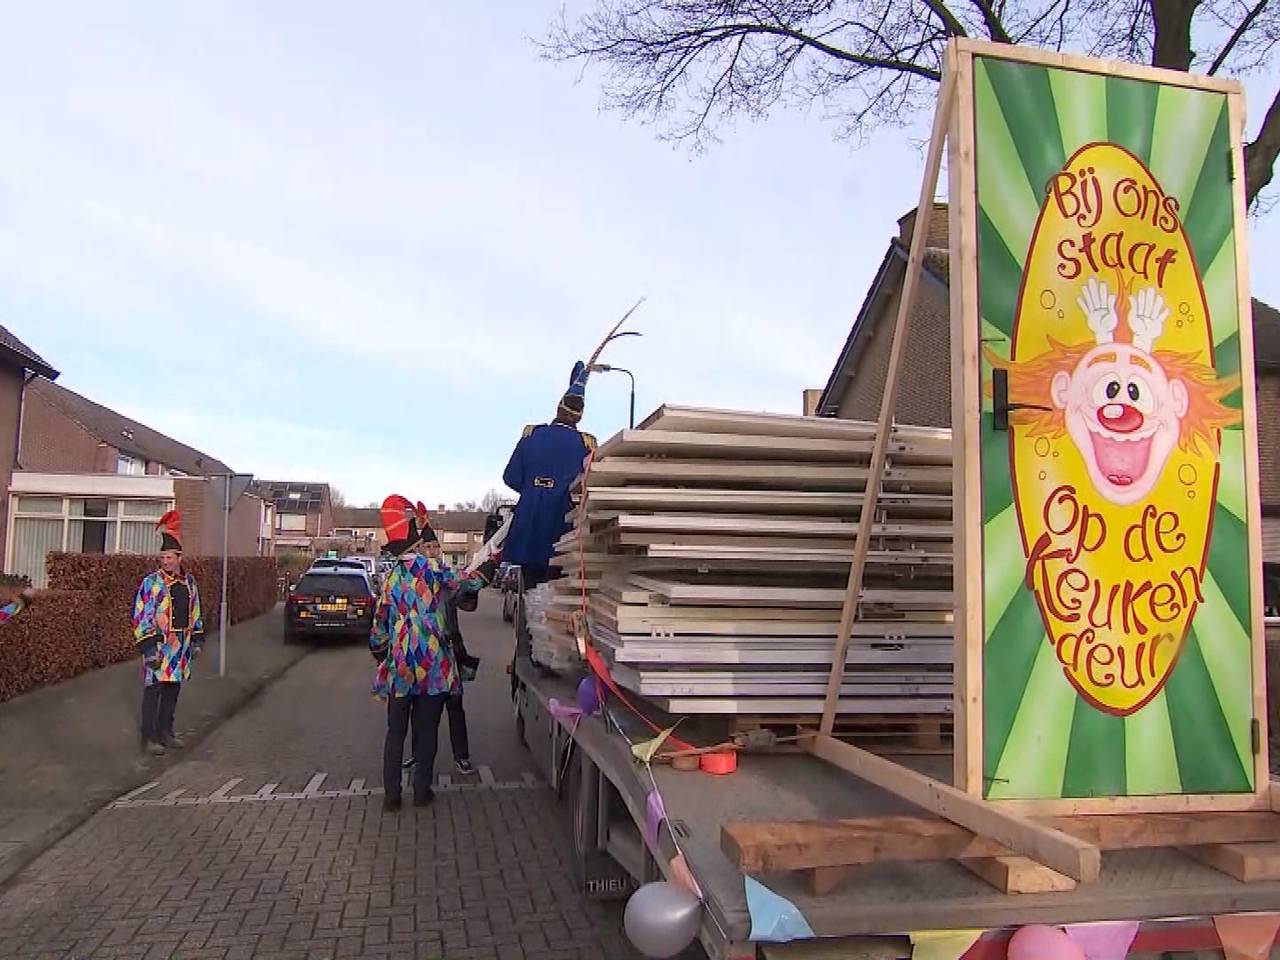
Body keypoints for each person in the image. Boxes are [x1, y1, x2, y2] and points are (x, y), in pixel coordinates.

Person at [370, 496, 497, 811]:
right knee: (427, 731)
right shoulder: (433, 569)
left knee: (395, 732)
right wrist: (490, 565)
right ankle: (422, 791)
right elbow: (466, 587)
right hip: (433, 668)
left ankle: (391, 796)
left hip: (400, 668)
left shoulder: (389, 579)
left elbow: (378, 629)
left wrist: (383, 651)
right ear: (416, 540)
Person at [501, 361, 597, 691]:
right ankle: (554, 659)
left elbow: (510, 477)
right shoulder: (586, 445)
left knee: (530, 593)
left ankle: (529, 653)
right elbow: (589, 487)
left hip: (529, 527)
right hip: (562, 530)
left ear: (557, 408)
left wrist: (534, 488)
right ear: (579, 416)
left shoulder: (531, 436)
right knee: (559, 597)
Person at [132, 510, 204, 756]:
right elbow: (141, 615)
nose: (166, 561)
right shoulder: (151, 583)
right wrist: (149, 647)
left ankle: (167, 733)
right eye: (163, 557)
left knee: (172, 692)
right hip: (158, 648)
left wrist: (196, 639)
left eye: (170, 557)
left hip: (180, 648)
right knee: (153, 693)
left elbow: (195, 611)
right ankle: (149, 737)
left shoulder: (189, 583)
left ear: (179, 557)